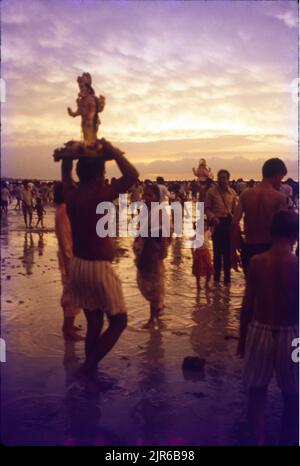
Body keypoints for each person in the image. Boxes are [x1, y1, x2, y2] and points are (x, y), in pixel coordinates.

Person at [62, 139, 139, 387]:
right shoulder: (100, 194)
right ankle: (87, 368)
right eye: (104, 171)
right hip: (98, 268)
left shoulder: (71, 194)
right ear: (99, 174)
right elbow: (132, 174)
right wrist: (112, 150)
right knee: (119, 322)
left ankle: (90, 373)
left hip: (78, 266)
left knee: (94, 322)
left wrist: (69, 155)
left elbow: (65, 172)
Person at [238, 210, 299, 446]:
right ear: (295, 236)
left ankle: (259, 440)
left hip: (259, 331)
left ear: (271, 233)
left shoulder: (256, 262)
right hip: (291, 334)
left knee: (256, 393)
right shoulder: (297, 265)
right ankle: (288, 439)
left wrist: (242, 341)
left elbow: (246, 305)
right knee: (293, 395)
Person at [231, 158, 288, 273]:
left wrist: (233, 252)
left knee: (252, 288)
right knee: (270, 289)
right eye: (281, 178)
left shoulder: (245, 195)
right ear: (277, 175)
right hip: (270, 249)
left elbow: (234, 223)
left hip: (248, 248)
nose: (281, 182)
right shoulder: (279, 197)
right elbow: (283, 229)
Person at [134, 184, 171, 328]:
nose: (146, 198)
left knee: (153, 286)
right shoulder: (147, 211)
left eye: (150, 195)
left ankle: (152, 319)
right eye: (145, 195)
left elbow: (164, 234)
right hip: (145, 251)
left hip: (153, 253)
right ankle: (157, 310)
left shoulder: (160, 213)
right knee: (148, 284)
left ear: (157, 197)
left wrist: (161, 251)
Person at [54, 182, 84, 342]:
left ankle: (69, 326)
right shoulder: (64, 211)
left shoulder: (63, 209)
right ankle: (67, 330)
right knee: (72, 293)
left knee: (71, 292)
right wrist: (71, 263)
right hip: (70, 258)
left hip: (69, 256)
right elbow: (66, 241)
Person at [205, 169, 237, 284]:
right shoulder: (211, 192)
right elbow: (207, 208)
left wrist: (234, 221)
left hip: (228, 223)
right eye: (220, 178)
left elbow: (234, 209)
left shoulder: (232, 193)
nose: (222, 180)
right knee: (217, 253)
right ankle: (216, 280)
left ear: (228, 179)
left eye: (224, 178)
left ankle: (227, 281)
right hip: (217, 224)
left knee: (228, 253)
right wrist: (212, 217)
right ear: (217, 179)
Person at [192, 219, 214, 290]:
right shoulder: (197, 234)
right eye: (202, 225)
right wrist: (193, 254)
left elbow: (212, 233)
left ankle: (206, 284)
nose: (204, 227)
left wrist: (214, 226)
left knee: (209, 268)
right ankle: (198, 285)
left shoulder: (208, 232)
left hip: (206, 252)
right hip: (198, 252)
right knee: (198, 269)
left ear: (207, 226)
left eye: (205, 225)